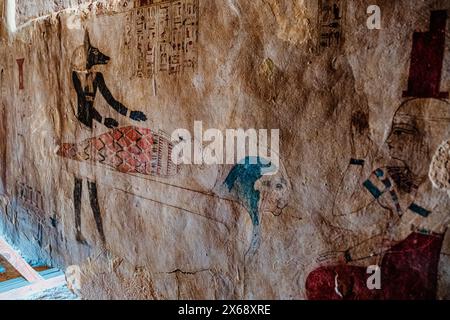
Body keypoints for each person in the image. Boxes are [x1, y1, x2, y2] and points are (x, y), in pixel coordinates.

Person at [307, 98, 450, 300]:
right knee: (319, 280)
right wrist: (358, 156)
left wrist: (346, 256)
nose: (390, 140)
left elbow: (397, 235)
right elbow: (345, 209)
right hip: (385, 266)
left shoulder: (436, 190)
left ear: (427, 139)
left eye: (400, 132)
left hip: (414, 280)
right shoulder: (389, 175)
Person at [69, 31, 147, 246]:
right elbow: (83, 107)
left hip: (90, 131)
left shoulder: (97, 77)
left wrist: (131, 114)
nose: (99, 57)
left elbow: (111, 100)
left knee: (91, 184)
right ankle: (77, 228)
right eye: (93, 54)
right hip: (78, 130)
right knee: (79, 183)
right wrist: (104, 119)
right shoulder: (75, 77)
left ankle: (100, 235)